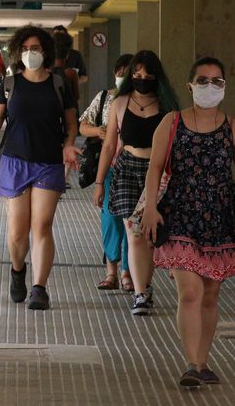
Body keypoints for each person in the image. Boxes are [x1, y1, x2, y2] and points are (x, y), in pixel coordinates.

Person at [139, 56, 235, 388]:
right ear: (190, 85)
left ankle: (203, 360)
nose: (210, 87)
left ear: (224, 87)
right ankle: (192, 364)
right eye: (203, 80)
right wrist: (151, 207)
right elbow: (154, 168)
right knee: (191, 291)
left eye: (217, 81)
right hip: (180, 213)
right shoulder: (171, 122)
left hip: (220, 217)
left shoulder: (233, 127)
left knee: (210, 293)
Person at [0, 25, 79, 311]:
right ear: (18, 52)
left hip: (48, 162)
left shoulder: (58, 84)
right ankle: (18, 269)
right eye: (25, 49)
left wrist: (69, 145)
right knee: (17, 232)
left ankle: (39, 288)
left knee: (42, 226)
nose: (30, 53)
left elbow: (71, 124)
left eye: (36, 48)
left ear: (45, 52)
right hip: (15, 161)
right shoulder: (10, 84)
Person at [92, 50, 179, 316]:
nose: (142, 79)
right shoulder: (120, 103)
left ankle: (146, 285)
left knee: (149, 234)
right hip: (128, 169)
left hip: (159, 172)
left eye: (147, 74)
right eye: (137, 74)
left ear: (156, 76)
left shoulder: (167, 107)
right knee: (134, 232)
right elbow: (108, 147)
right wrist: (98, 183)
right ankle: (141, 294)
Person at [79, 53, 134, 291]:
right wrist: (98, 132)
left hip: (135, 169)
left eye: (127, 73)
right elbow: (83, 125)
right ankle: (111, 270)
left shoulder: (145, 102)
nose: (123, 77)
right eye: (119, 73)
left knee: (132, 222)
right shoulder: (105, 98)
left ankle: (128, 272)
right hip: (109, 167)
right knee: (111, 220)